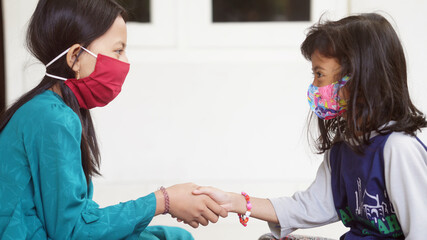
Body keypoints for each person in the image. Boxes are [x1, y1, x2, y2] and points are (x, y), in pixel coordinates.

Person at [0, 0, 227, 239]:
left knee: (169, 236)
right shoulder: (53, 118)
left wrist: (162, 202)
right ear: (75, 57)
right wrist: (163, 201)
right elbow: (72, 232)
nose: (125, 61)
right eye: (118, 50)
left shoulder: (50, 109)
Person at [192, 13, 427, 239]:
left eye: (319, 73)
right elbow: (311, 206)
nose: (314, 85)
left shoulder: (399, 149)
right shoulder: (342, 151)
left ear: (359, 77)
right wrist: (235, 202)